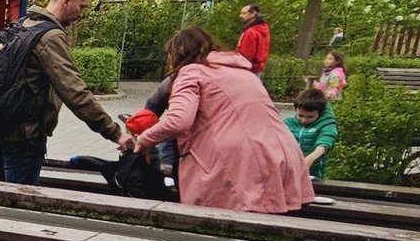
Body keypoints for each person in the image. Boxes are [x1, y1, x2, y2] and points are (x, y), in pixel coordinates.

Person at [131, 28, 314, 213]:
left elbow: (178, 121)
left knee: (220, 221)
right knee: (271, 220)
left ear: (178, 54)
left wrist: (145, 139)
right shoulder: (244, 72)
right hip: (281, 153)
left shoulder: (191, 72)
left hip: (239, 160)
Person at [0, 0, 126, 185]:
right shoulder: (51, 37)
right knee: (18, 201)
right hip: (25, 140)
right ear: (67, 0)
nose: (81, 14)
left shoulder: (24, 24)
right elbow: (75, 93)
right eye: (82, 7)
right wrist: (115, 133)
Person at [285, 86, 340, 181]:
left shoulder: (326, 124)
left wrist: (310, 159)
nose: (304, 120)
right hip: (290, 172)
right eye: (300, 115)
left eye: (310, 117)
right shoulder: (289, 122)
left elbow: (324, 143)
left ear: (320, 113)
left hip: (314, 175)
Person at [236, 3, 271, 76]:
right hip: (258, 68)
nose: (240, 16)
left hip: (248, 70)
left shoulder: (250, 32)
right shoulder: (263, 29)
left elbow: (246, 55)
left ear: (253, 14)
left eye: (244, 13)